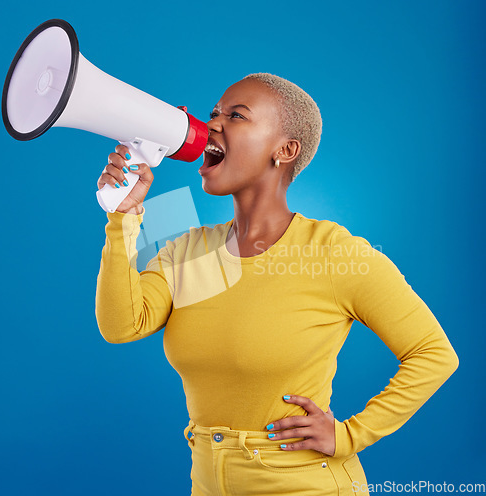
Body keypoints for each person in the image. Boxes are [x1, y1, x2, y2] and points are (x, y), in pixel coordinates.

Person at [95, 73, 459, 495]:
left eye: (236, 116)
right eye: (215, 113)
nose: (212, 124)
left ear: (284, 151)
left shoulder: (336, 252)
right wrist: (122, 218)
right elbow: (121, 327)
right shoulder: (186, 247)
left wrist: (349, 437)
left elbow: (434, 354)